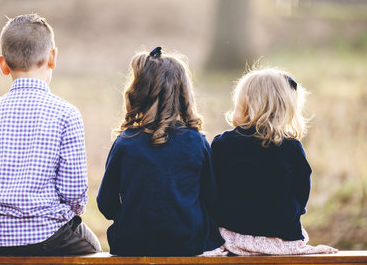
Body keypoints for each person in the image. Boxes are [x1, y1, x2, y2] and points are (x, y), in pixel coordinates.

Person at [0, 14, 101, 256]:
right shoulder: (66, 114)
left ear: (2, 63)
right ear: (53, 57)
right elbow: (73, 191)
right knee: (94, 249)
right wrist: (69, 212)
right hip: (46, 233)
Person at [96, 47, 225, 256]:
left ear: (138, 91)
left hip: (131, 243)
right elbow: (211, 199)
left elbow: (105, 202)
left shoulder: (125, 142)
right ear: (184, 93)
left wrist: (131, 218)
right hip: (188, 241)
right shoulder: (196, 141)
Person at [211, 67, 337, 255]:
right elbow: (302, 190)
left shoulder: (222, 143)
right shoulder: (291, 147)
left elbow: (212, 187)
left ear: (245, 105)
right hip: (280, 237)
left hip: (231, 236)